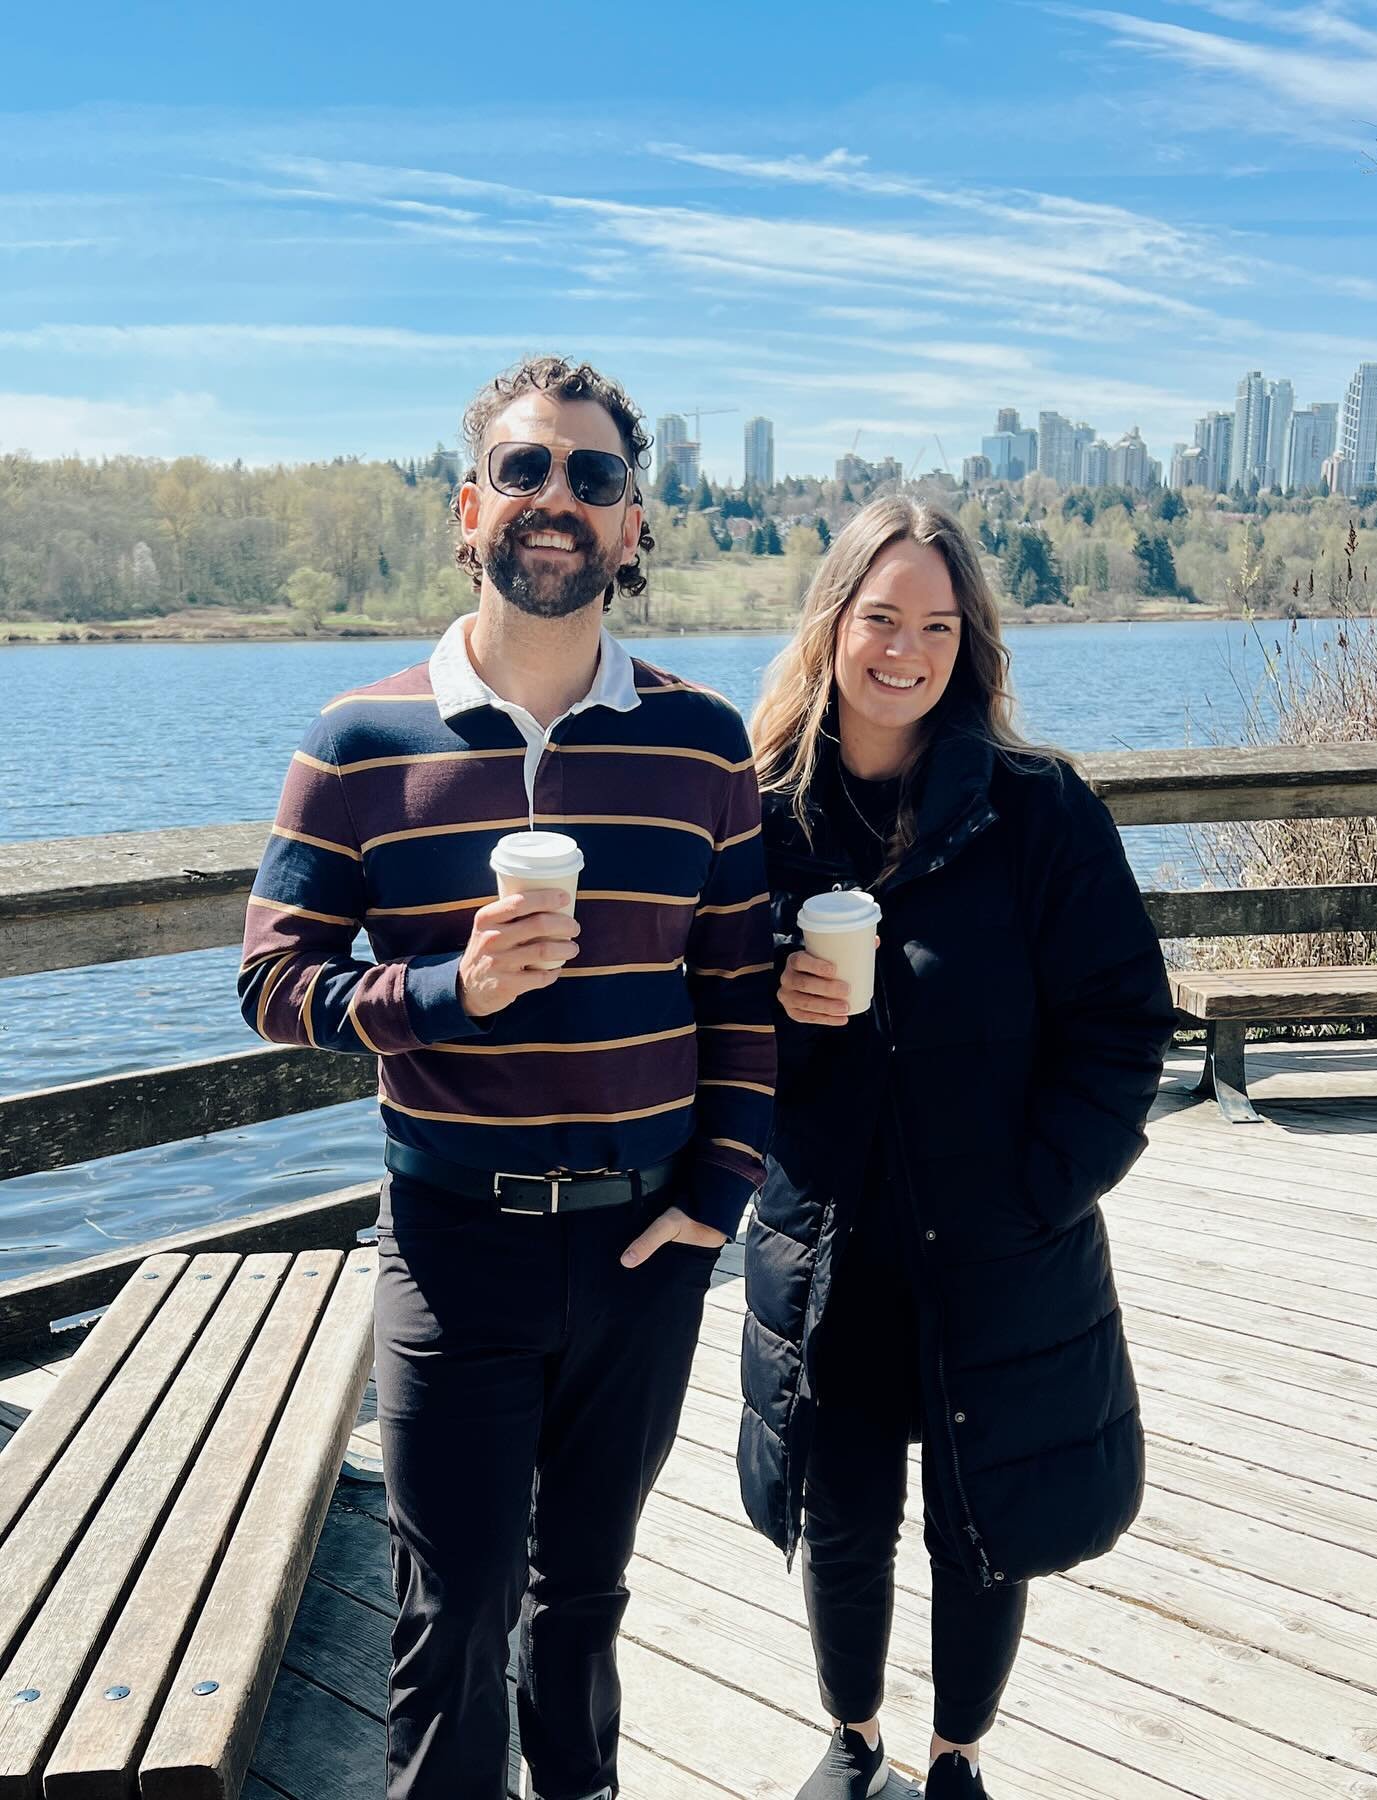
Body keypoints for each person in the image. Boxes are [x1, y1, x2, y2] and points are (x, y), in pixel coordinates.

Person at [239, 355, 775, 1800]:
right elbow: (271, 985)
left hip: (642, 1240)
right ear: (470, 510)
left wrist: (718, 1198)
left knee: (584, 1596)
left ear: (634, 527)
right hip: (451, 1238)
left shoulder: (702, 742)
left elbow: (740, 994)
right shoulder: (358, 744)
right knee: (452, 1606)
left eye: (593, 478)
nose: (558, 500)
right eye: (527, 471)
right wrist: (443, 989)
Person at [736, 496, 1174, 1799]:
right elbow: (698, 1023)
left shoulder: (1036, 813)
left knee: (979, 1525)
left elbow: (1122, 1026)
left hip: (995, 1244)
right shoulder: (760, 813)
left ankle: (954, 1756)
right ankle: (854, 1736)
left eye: (937, 623)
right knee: (846, 1513)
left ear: (969, 642)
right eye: (881, 618)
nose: (905, 651)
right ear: (832, 627)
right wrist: (774, 994)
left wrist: (1040, 1189)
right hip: (833, 1243)